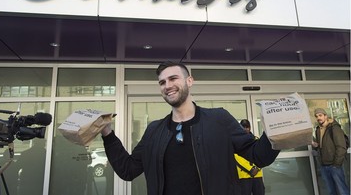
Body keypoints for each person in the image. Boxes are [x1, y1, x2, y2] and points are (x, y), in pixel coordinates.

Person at [101, 61, 280, 195]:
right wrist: (107, 133)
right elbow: (128, 169)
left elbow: (258, 156)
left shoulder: (219, 119)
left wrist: (276, 128)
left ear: (189, 81)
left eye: (173, 79)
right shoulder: (154, 131)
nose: (167, 86)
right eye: (162, 82)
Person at [312, 108, 349, 195]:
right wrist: (316, 146)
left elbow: (341, 147)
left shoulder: (334, 128)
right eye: (316, 116)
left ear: (325, 116)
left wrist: (336, 164)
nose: (318, 118)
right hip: (324, 165)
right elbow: (323, 147)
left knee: (342, 190)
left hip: (334, 165)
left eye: (320, 115)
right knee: (331, 191)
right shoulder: (318, 130)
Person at [234, 119, 265, 195]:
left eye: (247, 127)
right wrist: (250, 169)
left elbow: (261, 156)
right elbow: (237, 158)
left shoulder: (256, 139)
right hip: (244, 176)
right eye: (243, 127)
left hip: (257, 175)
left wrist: (256, 168)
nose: (246, 129)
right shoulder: (235, 141)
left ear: (250, 128)